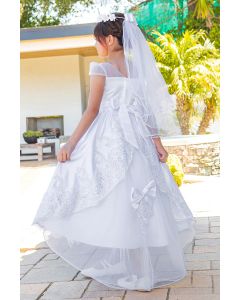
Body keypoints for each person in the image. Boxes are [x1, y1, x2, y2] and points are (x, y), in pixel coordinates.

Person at [32, 12, 196, 291]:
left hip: (110, 137)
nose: (96, 46)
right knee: (135, 196)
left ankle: (132, 267)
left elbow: (92, 111)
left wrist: (70, 144)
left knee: (110, 196)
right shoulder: (137, 69)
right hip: (138, 141)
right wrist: (157, 143)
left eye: (97, 40)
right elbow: (146, 112)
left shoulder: (100, 68)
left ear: (109, 39)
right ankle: (130, 263)